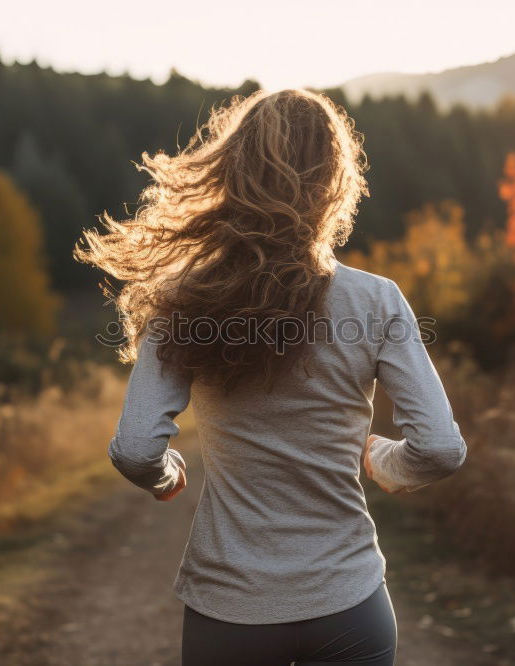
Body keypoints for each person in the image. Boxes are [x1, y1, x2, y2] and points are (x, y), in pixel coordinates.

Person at [74, 88, 467, 666]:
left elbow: (135, 450)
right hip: (350, 603)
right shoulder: (377, 301)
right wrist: (383, 461)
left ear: (233, 172)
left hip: (229, 609)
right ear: (334, 181)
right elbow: (440, 449)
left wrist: (163, 477)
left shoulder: (186, 299)